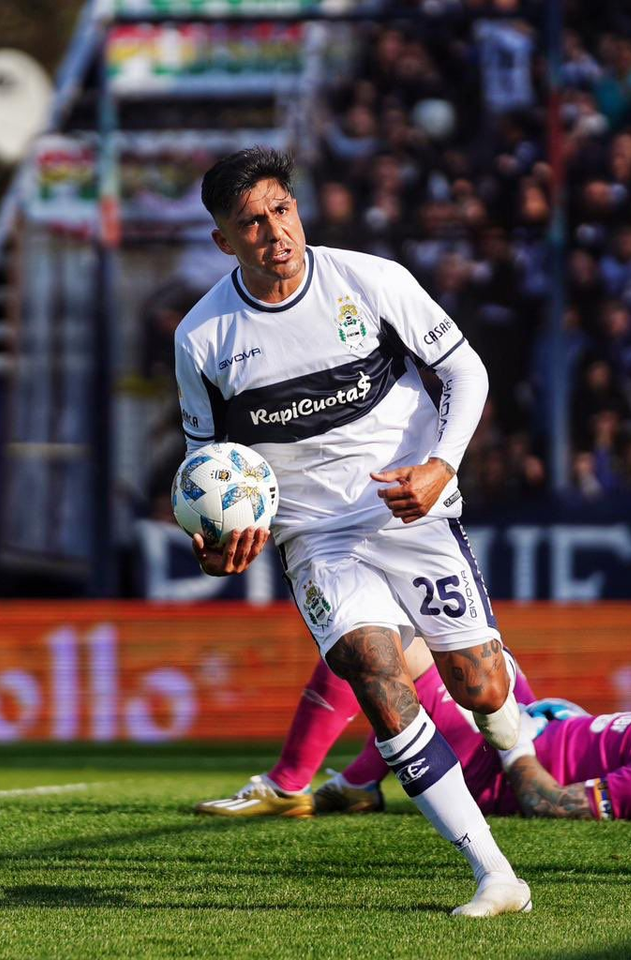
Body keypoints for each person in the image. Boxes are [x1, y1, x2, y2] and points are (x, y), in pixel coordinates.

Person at [173, 147, 529, 916]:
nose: (274, 232)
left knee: (479, 684)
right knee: (374, 670)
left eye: (281, 210)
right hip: (314, 538)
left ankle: (514, 735)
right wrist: (213, 544)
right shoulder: (202, 340)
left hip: (410, 505)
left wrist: (440, 465)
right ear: (223, 242)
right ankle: (495, 876)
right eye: (250, 223)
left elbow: (467, 372)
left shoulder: (369, 280)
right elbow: (210, 469)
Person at [197, 643, 631, 826]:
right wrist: (559, 717)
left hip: (490, 763)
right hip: (534, 723)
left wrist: (514, 742)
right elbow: (603, 742)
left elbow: (545, 802)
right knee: (473, 641)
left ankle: (287, 785)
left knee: (371, 649)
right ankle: (363, 783)